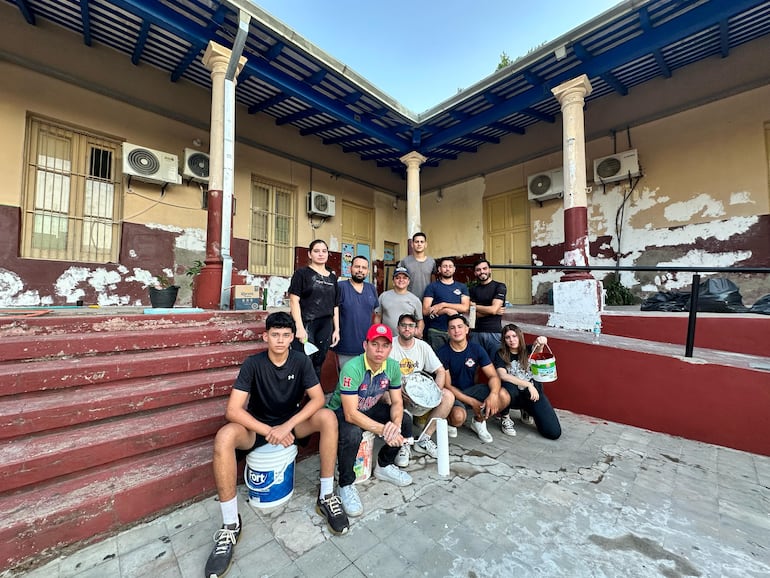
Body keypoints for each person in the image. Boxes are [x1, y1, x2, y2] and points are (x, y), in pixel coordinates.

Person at [204, 312, 348, 578]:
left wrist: (287, 427)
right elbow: (233, 410)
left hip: (290, 423)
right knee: (224, 436)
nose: (280, 340)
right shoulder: (253, 364)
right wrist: (271, 431)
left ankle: (326, 495)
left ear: (293, 337)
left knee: (327, 417)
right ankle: (230, 525)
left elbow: (317, 399)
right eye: (275, 334)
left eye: (285, 335)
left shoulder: (301, 361)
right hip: (258, 427)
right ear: (265, 336)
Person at [327, 324, 413, 518]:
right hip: (340, 411)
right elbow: (350, 414)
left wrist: (395, 424)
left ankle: (384, 465)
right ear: (365, 345)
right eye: (375, 344)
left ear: (391, 348)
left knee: (405, 421)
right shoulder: (352, 367)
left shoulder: (392, 366)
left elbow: (397, 402)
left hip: (369, 406)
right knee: (352, 432)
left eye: (384, 345)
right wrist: (384, 430)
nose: (379, 350)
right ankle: (345, 484)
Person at [389, 312, 456, 466]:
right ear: (398, 328)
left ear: (416, 328)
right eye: (404, 325)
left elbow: (440, 371)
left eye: (411, 326)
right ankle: (403, 443)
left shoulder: (423, 346)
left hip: (419, 393)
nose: (407, 329)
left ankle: (424, 439)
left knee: (447, 396)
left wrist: (434, 392)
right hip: (396, 391)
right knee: (395, 398)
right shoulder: (390, 345)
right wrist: (397, 390)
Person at [438, 314, 512, 444]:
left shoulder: (476, 349)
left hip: (472, 389)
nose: (457, 331)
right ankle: (450, 420)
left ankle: (479, 421)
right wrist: (472, 402)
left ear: (467, 329)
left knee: (504, 396)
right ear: (448, 332)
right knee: (458, 418)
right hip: (453, 395)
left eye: (460, 327)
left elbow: (493, 376)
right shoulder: (442, 353)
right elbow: (447, 386)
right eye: (452, 328)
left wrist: (493, 395)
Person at [494, 323, 562, 440]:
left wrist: (541, 341)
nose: (511, 340)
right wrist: (528, 384)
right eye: (507, 337)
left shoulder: (529, 350)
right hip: (513, 396)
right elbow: (502, 375)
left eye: (514, 336)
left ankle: (526, 411)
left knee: (553, 432)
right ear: (504, 340)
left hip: (532, 396)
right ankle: (505, 417)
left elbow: (538, 348)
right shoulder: (500, 354)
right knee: (507, 386)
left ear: (520, 336)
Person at [288, 239, 340, 383]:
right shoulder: (302, 274)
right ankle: (296, 401)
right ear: (310, 254)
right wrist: (299, 327)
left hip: (325, 325)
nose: (320, 254)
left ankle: (314, 399)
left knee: (318, 362)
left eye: (324, 251)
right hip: (306, 324)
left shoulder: (332, 277)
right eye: (316, 251)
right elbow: (294, 301)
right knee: (303, 363)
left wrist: (337, 330)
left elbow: (335, 305)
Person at [335, 255, 380, 368]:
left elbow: (376, 315)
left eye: (364, 268)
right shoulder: (340, 287)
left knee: (365, 381)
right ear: (350, 268)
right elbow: (332, 312)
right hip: (345, 346)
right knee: (348, 381)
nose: (360, 270)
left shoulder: (371, 289)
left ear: (368, 271)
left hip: (367, 347)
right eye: (357, 267)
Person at [422, 257, 470, 352]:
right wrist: (446, 310)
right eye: (444, 266)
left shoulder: (462, 287)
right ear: (439, 269)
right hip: (436, 331)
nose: (447, 269)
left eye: (450, 266)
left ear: (454, 269)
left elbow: (465, 307)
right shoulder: (432, 287)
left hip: (457, 331)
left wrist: (443, 304)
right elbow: (426, 310)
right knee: (437, 362)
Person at [469, 259, 507, 360]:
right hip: (475, 333)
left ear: (490, 270)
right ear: (475, 273)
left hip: (494, 332)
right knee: (473, 366)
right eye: (478, 270)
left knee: (497, 366)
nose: (482, 272)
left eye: (484, 268)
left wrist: (474, 306)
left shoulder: (500, 286)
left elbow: (493, 309)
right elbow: (472, 315)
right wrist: (492, 311)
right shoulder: (472, 290)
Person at [376, 266, 424, 338]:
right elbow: (378, 317)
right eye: (398, 278)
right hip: (387, 339)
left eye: (404, 278)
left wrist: (418, 331)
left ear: (408, 282)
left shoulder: (415, 300)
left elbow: (420, 320)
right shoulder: (383, 296)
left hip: (407, 340)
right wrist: (377, 333)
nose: (401, 280)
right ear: (393, 281)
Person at [398, 232, 435, 299]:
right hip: (408, 299)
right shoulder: (405, 261)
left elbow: (433, 281)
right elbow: (398, 280)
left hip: (427, 299)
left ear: (425, 244)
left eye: (422, 242)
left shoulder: (431, 261)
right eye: (416, 242)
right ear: (412, 244)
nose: (419, 244)